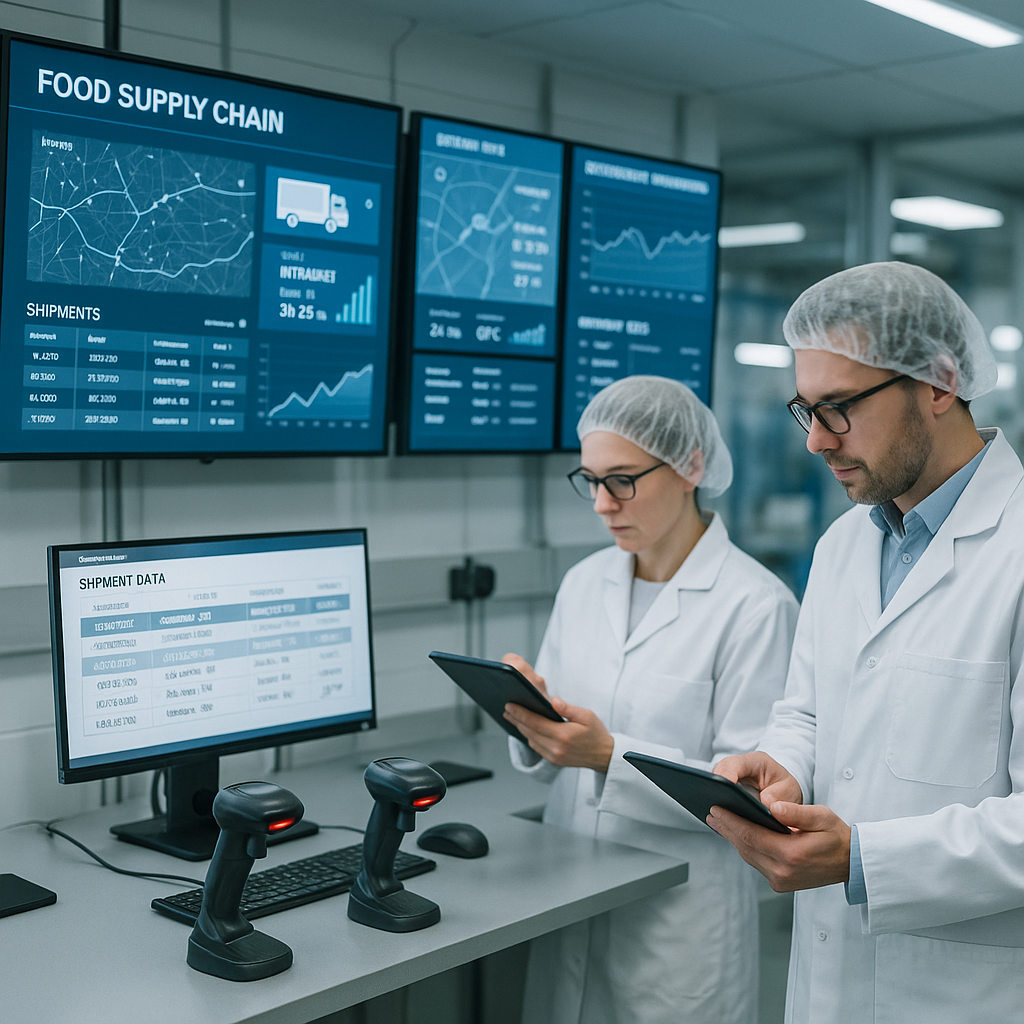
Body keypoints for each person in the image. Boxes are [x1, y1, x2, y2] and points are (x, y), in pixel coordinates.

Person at [711, 261, 1024, 1024]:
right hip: (826, 981)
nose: (816, 441)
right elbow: (810, 713)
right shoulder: (845, 543)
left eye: (839, 407)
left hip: (965, 993)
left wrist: (861, 859)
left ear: (940, 383)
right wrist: (781, 767)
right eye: (805, 410)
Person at [502, 375, 798, 1024]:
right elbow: (559, 748)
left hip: (681, 921)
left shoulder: (755, 606)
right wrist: (532, 719)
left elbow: (750, 798)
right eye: (590, 481)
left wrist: (609, 756)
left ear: (691, 465)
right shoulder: (584, 584)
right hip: (572, 888)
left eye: (622, 480)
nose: (603, 504)